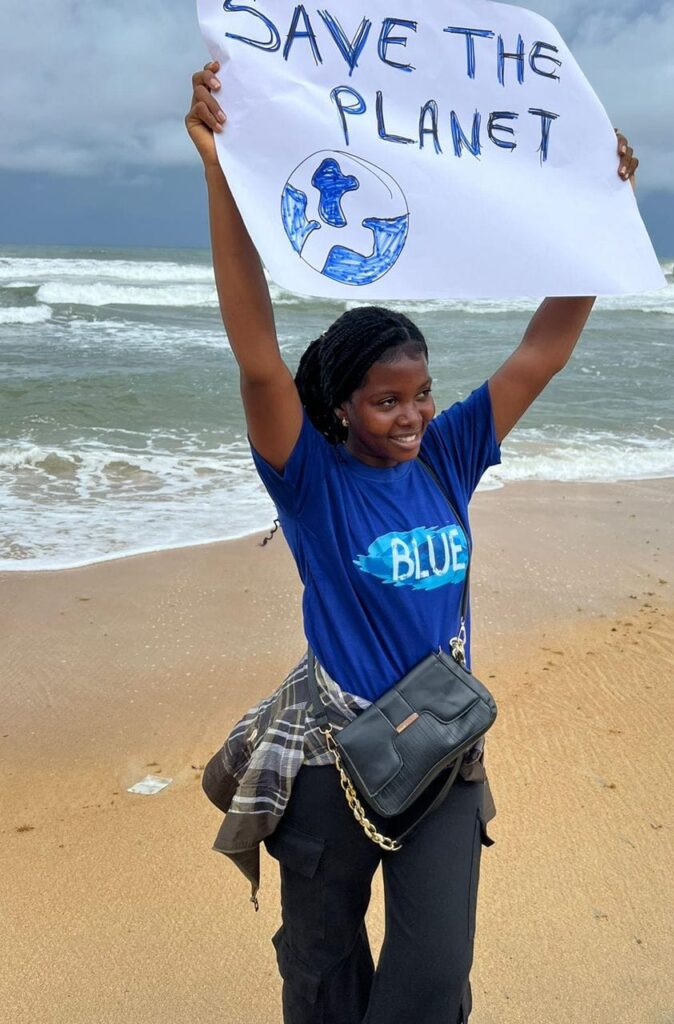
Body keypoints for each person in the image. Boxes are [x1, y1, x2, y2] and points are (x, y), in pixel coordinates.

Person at [187, 60, 638, 1024]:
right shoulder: (312, 482)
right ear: (342, 408)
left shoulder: (450, 455)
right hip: (329, 764)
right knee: (322, 975)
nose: (412, 415)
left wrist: (603, 209)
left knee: (432, 980)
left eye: (421, 392)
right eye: (387, 400)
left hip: (442, 754)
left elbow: (542, 346)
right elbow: (257, 352)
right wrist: (223, 175)